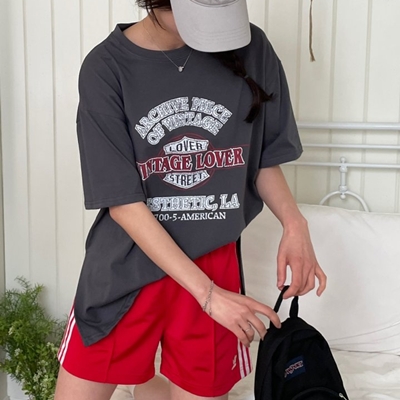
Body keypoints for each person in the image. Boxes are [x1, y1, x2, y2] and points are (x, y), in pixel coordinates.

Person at [54, 1, 327, 399]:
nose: (214, 32)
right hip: (128, 266)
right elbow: (123, 202)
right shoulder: (106, 68)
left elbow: (260, 157)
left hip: (215, 262)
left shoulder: (253, 48)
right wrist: (208, 295)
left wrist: (295, 224)